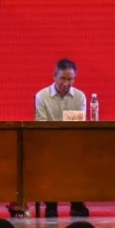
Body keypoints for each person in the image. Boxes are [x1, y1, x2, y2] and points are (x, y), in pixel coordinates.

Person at [34, 58, 90, 218]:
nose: (66, 83)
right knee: (48, 158)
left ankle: (77, 203)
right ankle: (51, 204)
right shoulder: (42, 96)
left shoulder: (80, 97)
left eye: (70, 79)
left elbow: (79, 124)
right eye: (62, 78)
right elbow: (41, 124)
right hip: (48, 144)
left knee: (80, 157)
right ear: (54, 76)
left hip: (73, 144)